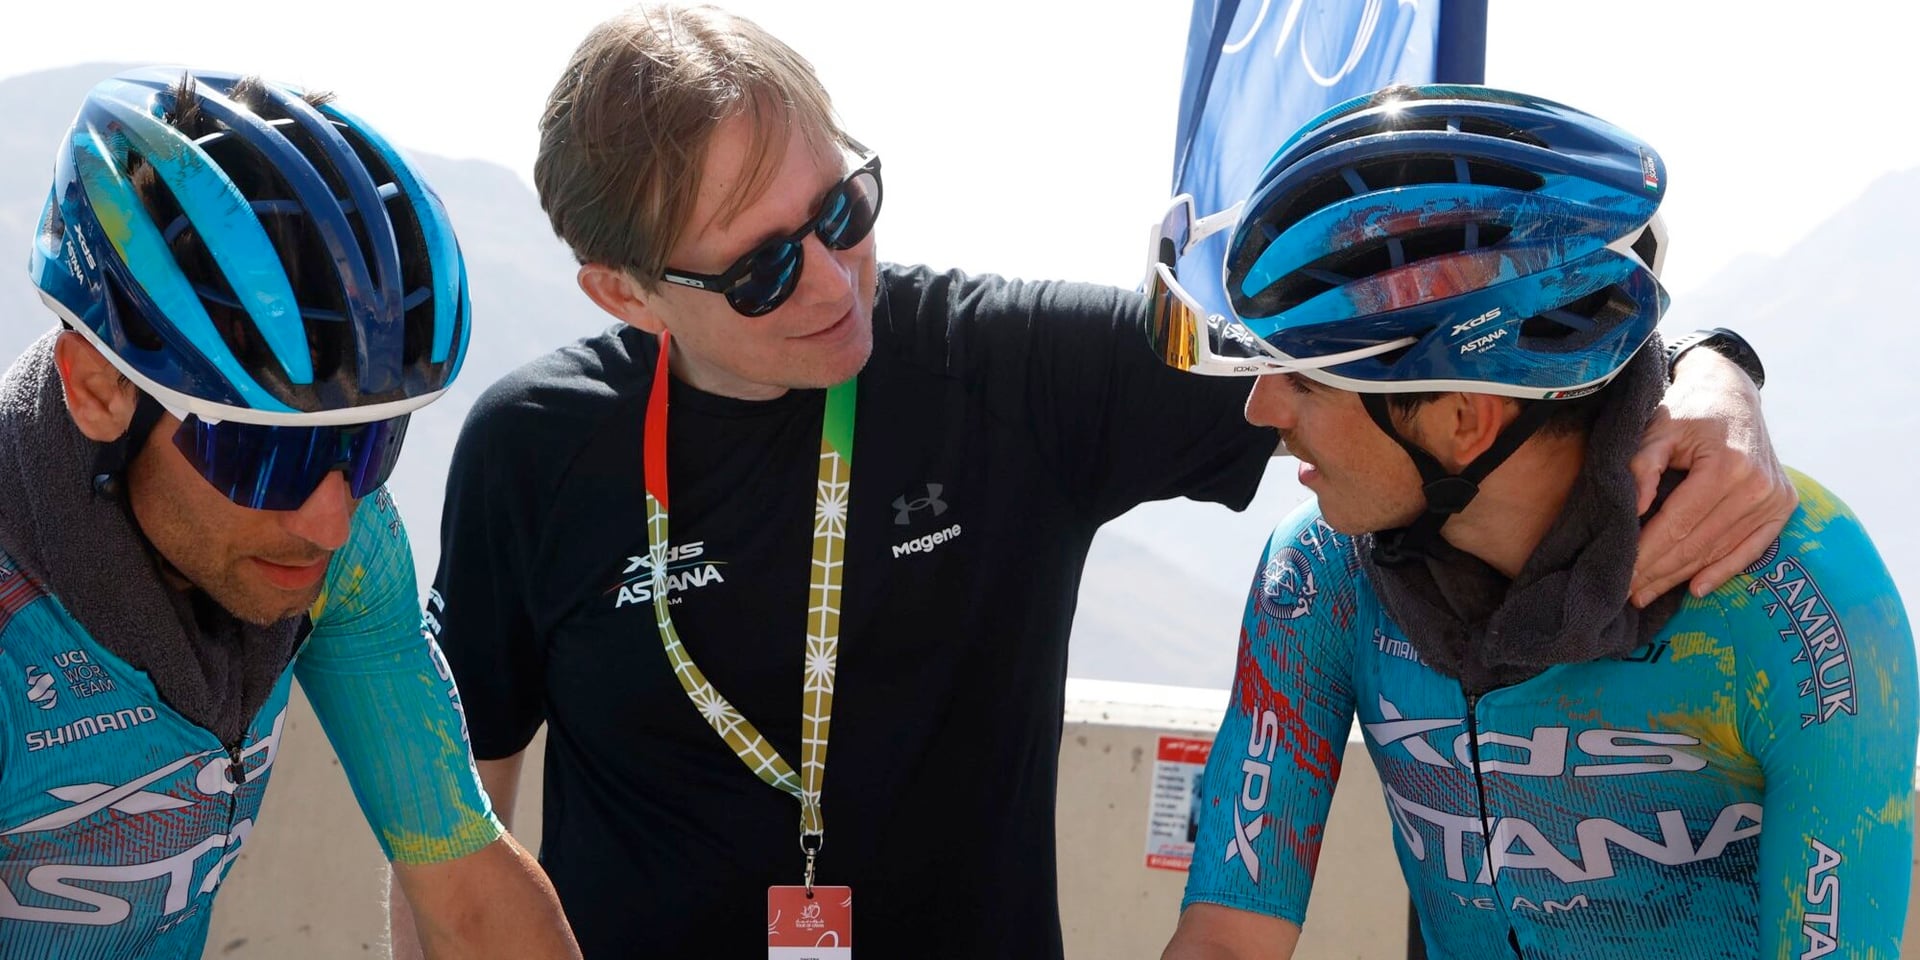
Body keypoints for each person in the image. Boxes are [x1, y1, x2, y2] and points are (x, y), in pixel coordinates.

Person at [420, 6, 1796, 957]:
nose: (840, 282)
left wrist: (1703, 369)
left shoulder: (1006, 369)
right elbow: (457, 830)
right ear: (624, 291)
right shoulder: (535, 451)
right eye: (767, 265)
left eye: (844, 207)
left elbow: (1423, 352)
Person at [1163, 85, 1914, 960]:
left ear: (1462, 419)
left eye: (1306, 375)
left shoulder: (1804, 607)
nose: (1260, 408)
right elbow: (1226, 941)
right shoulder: (1320, 575)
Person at [0, 67, 579, 959]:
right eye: (270, 455)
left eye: (371, 446)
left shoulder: (339, 551)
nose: (330, 521)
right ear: (100, 391)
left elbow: (468, 891)